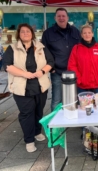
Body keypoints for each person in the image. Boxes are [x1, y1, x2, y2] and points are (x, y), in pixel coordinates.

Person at [2, 23, 54, 152]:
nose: (25, 33)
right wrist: (25, 74)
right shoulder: (12, 48)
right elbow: (7, 66)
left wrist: (42, 72)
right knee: (26, 113)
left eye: (28, 31)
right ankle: (29, 140)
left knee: (38, 111)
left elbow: (51, 62)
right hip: (21, 87)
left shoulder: (41, 47)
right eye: (22, 32)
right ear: (18, 34)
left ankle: (37, 132)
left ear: (32, 33)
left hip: (40, 86)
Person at [42, 8, 81, 111]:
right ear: (55, 18)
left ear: (67, 18)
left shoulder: (76, 31)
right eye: (59, 16)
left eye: (63, 16)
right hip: (57, 71)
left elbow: (81, 49)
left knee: (74, 98)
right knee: (56, 99)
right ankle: (55, 125)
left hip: (74, 72)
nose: (61, 18)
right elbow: (44, 52)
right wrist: (51, 68)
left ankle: (71, 119)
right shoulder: (48, 33)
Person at [67, 24, 98, 93]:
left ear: (92, 34)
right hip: (82, 86)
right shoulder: (76, 48)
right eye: (84, 33)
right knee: (84, 104)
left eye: (89, 32)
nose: (87, 35)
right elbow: (72, 65)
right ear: (81, 35)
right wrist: (79, 80)